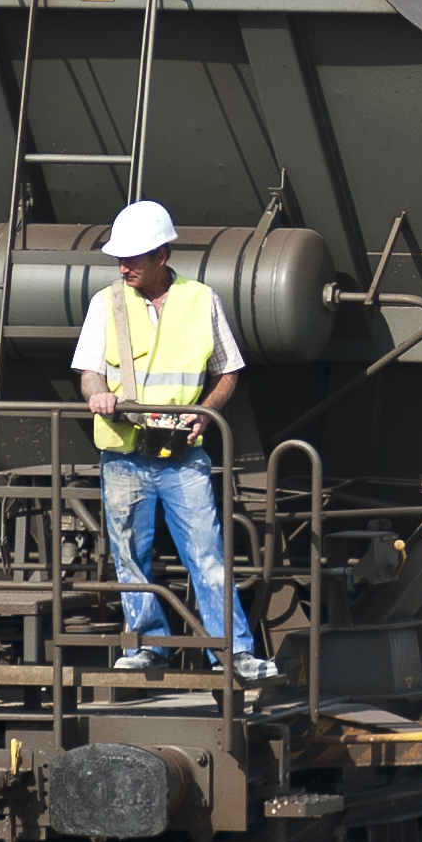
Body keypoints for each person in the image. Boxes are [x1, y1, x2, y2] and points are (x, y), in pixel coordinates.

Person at [71, 200, 273, 685]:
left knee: (207, 554)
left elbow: (229, 370)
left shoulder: (201, 301)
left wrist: (205, 414)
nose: (123, 266)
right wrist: (97, 394)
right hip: (123, 454)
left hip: (182, 454)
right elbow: (89, 372)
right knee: (128, 554)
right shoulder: (106, 304)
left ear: (162, 255)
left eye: (134, 258)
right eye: (119, 258)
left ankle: (234, 653)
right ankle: (144, 647)